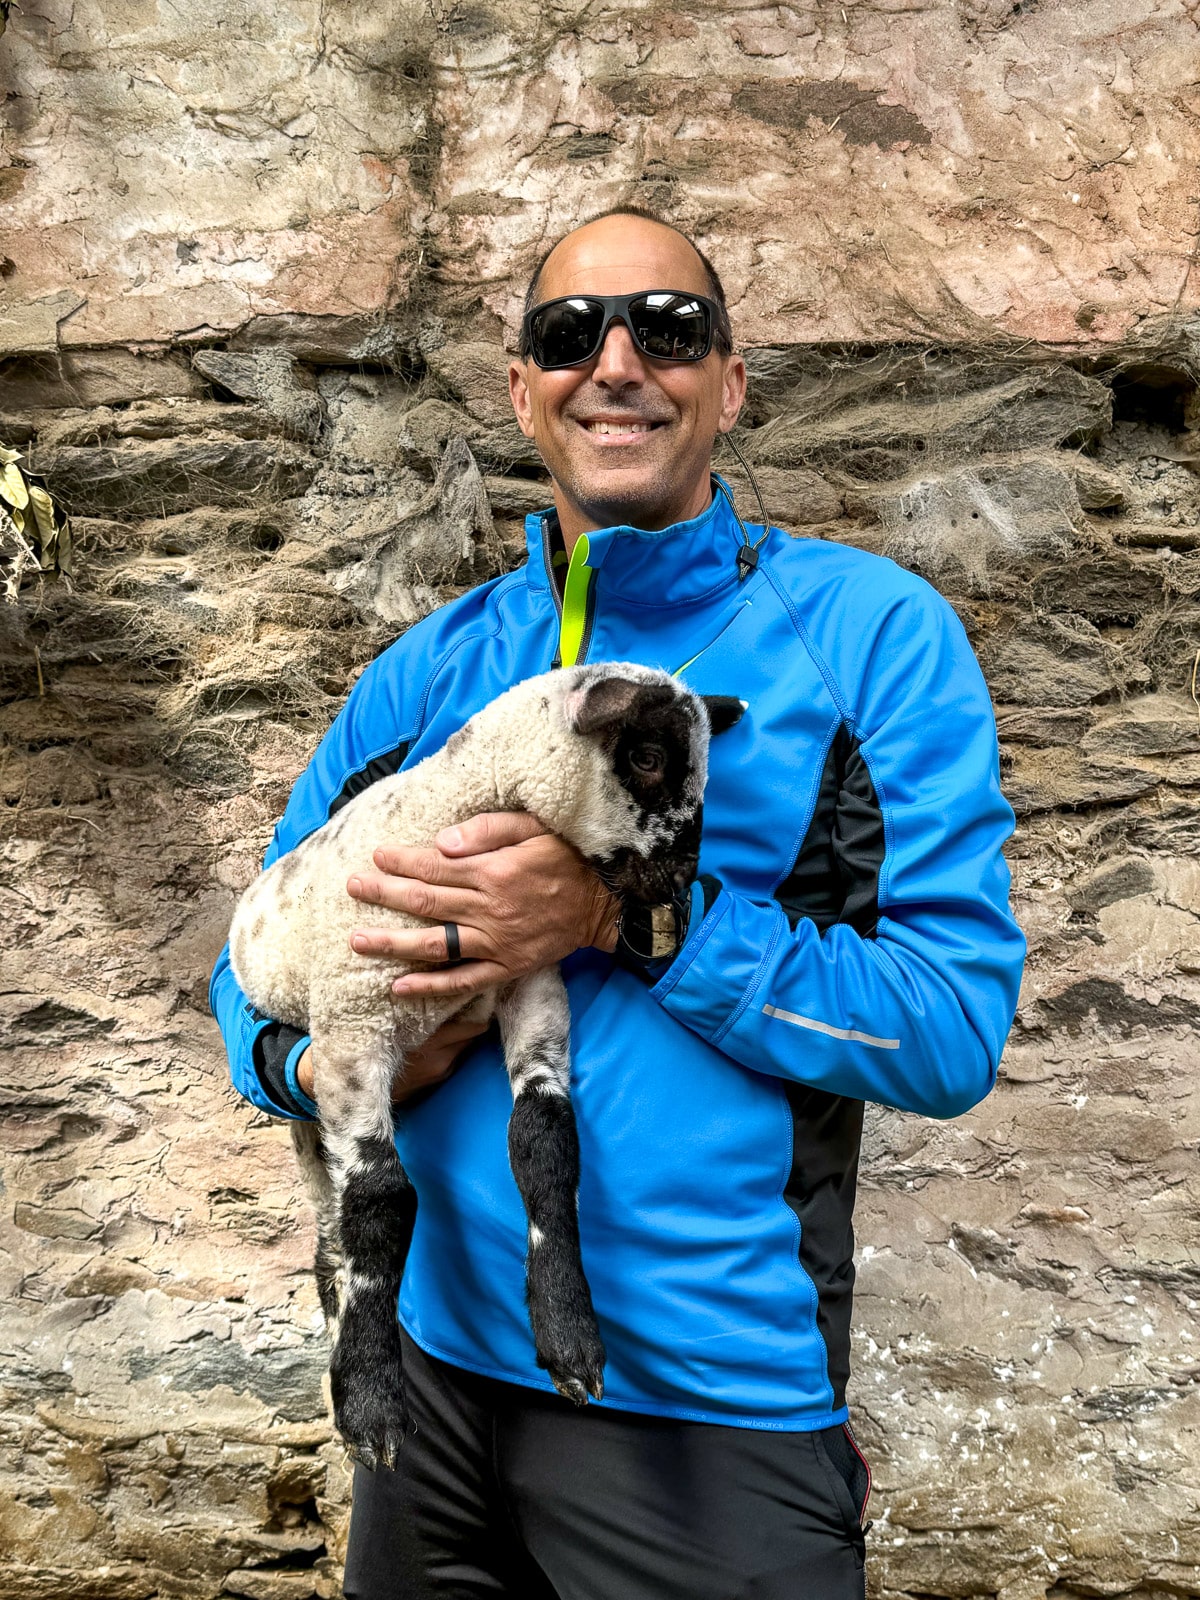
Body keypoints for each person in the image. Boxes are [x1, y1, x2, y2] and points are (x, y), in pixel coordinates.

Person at [210, 208, 1026, 1600]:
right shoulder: (429, 670)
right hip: (426, 1391)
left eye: (671, 327)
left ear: (730, 380)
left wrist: (621, 921)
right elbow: (251, 969)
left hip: (712, 1421)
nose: (620, 363)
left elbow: (949, 1029)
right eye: (569, 334)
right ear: (522, 385)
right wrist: (315, 1059)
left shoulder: (872, 639)